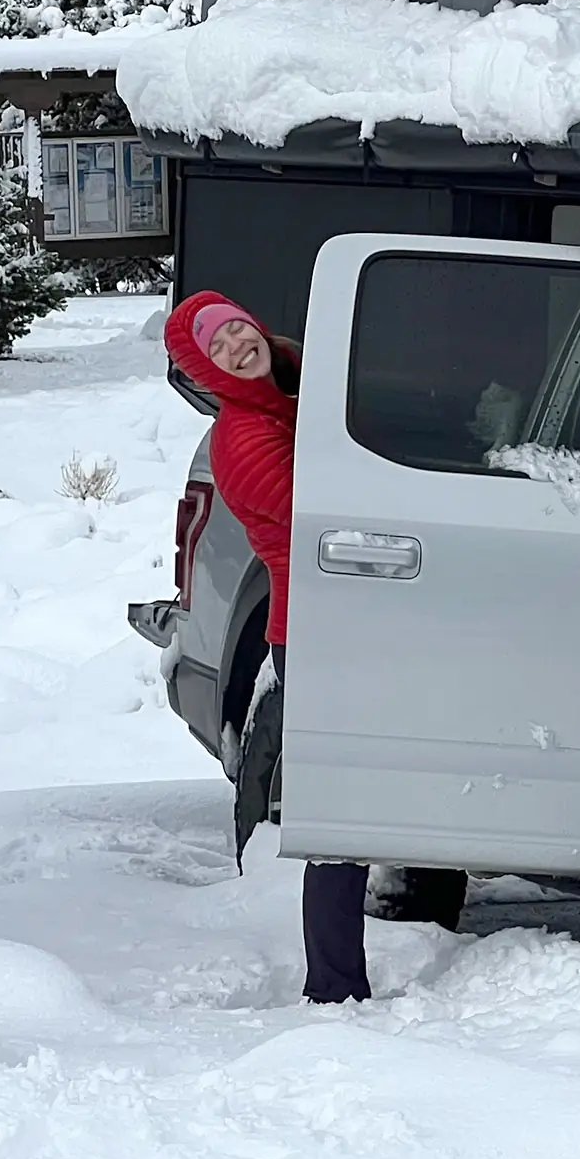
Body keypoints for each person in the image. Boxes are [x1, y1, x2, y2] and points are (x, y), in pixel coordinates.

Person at [164, 289, 415, 1004]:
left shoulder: (294, 380)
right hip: (315, 629)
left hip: (353, 621)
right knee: (340, 814)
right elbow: (322, 506)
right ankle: (334, 989)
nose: (238, 346)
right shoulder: (242, 438)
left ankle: (347, 973)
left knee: (366, 795)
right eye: (218, 348)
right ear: (207, 370)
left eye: (237, 329)